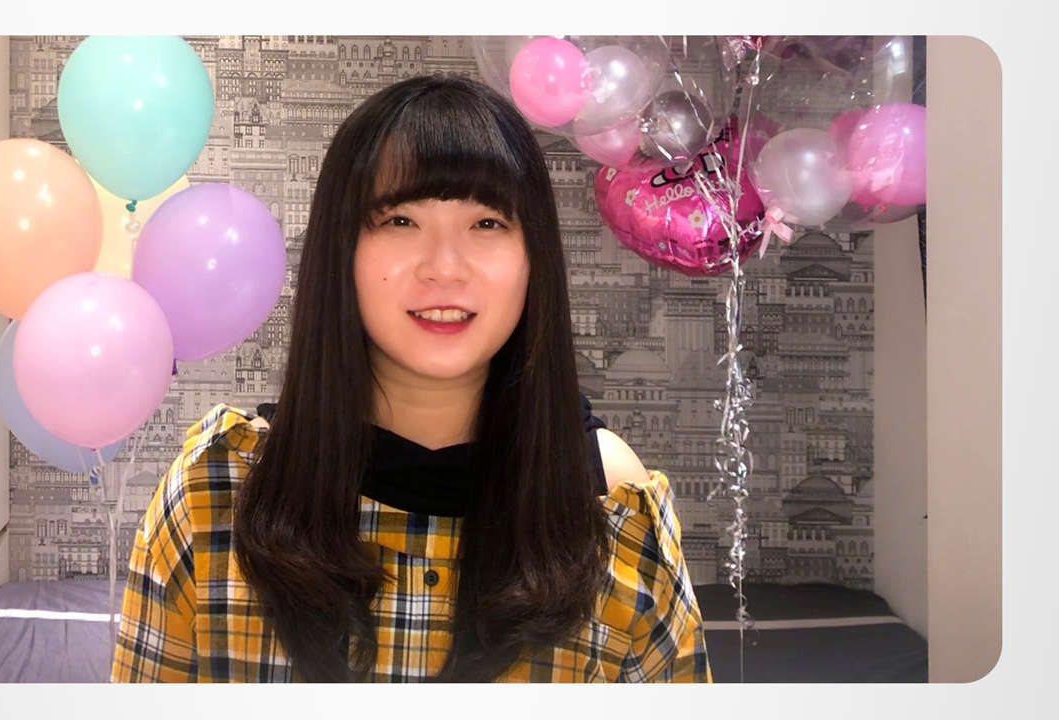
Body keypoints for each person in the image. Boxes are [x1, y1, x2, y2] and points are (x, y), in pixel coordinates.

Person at [110, 74, 711, 683]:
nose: (444, 268)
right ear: (342, 250)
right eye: (399, 220)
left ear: (535, 257)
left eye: (487, 223)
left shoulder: (607, 506)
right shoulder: (216, 498)